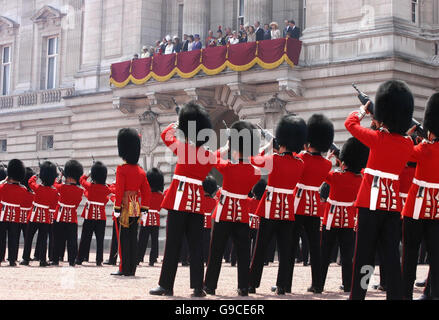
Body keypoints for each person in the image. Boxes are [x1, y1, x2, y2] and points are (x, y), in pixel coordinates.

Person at [346, 80, 414, 300]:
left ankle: (359, 295)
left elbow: (350, 124)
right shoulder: (407, 144)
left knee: (364, 257)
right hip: (392, 207)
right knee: (391, 257)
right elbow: (403, 137)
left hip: (369, 205)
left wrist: (363, 111)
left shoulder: (377, 139)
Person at [149, 102, 216, 297]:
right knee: (196, 246)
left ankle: (166, 285)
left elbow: (165, 135)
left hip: (179, 201)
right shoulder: (207, 155)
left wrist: (178, 121)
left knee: (173, 245)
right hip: (196, 204)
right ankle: (197, 287)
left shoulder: (184, 148)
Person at [248, 115, 308, 295]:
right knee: (286, 251)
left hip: (270, 207)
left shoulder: (274, 159)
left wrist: (268, 145)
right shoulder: (300, 163)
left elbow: (254, 159)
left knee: (260, 248)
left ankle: (252, 284)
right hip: (288, 210)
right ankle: (282, 285)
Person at [203, 121, 261, 297]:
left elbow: (211, 157)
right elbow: (252, 160)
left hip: (223, 213)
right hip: (242, 215)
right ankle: (243, 287)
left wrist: (227, 146)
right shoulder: (255, 171)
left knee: (216, 252)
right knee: (243, 254)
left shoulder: (228, 166)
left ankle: (210, 286)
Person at [288, 114, 335, 294]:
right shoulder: (326, 164)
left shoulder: (301, 158)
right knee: (315, 248)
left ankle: (286, 284)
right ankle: (317, 284)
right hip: (314, 207)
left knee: (291, 247)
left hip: (297, 204)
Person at [402, 92, 439, 300]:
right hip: (437, 211)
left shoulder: (424, 148)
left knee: (409, 256)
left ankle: (405, 294)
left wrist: (408, 136)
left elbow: (405, 153)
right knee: (436, 256)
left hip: (415, 208)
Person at [320, 137, 369, 293]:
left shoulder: (336, 177)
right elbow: (359, 168)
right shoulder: (360, 179)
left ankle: (318, 285)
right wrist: (343, 160)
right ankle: (348, 284)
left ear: (344, 162)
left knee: (325, 254)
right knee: (347, 256)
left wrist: (329, 158)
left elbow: (322, 171)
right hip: (348, 221)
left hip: (331, 220)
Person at [111, 128, 151, 277]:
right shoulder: (141, 171)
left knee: (122, 238)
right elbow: (146, 192)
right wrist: (145, 210)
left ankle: (123, 267)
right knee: (133, 238)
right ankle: (131, 268)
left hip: (124, 206)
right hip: (135, 205)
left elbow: (120, 190)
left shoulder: (122, 169)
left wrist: (116, 207)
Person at [21, 161, 59, 267]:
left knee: (29, 238)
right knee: (43, 240)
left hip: (34, 216)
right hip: (45, 217)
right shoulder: (54, 191)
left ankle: (25, 259)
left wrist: (36, 175)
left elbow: (29, 182)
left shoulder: (37, 188)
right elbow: (53, 204)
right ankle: (42, 260)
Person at [76, 161, 113, 266]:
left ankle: (80, 258)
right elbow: (112, 189)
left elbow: (81, 180)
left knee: (85, 238)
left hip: (89, 215)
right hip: (101, 217)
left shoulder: (90, 187)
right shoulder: (106, 189)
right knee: (100, 240)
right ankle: (99, 260)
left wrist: (88, 173)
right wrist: (107, 183)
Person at [51, 160, 84, 266]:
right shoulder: (80, 191)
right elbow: (77, 204)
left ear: (68, 176)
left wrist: (60, 176)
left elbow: (54, 184)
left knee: (57, 239)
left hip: (59, 216)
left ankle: (55, 259)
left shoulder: (62, 187)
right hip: (72, 217)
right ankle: (71, 260)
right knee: (72, 241)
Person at [0, 159, 26, 266]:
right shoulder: (23, 189)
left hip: (2, 215)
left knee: (1, 238)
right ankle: (12, 260)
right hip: (15, 216)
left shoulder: (2, 186)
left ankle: (1, 257)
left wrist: (4, 181)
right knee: (14, 238)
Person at [137, 168, 164, 266]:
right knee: (154, 240)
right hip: (155, 218)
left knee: (142, 239)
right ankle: (153, 259)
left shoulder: (144, 193)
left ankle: (139, 257)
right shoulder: (161, 196)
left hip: (145, 217)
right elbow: (160, 207)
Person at [248, 179, 267, 261]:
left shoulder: (249, 201)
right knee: (259, 245)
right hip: (260, 227)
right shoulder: (265, 204)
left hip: (249, 226)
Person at [201, 176, 218, 265]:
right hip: (209, 224)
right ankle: (207, 259)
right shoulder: (214, 201)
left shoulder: (200, 199)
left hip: (200, 223)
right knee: (208, 243)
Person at [18, 168, 35, 246]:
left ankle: (12, 256)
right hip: (28, 217)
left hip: (17, 217)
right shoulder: (33, 194)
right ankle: (26, 256)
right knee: (28, 239)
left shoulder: (19, 191)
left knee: (14, 238)